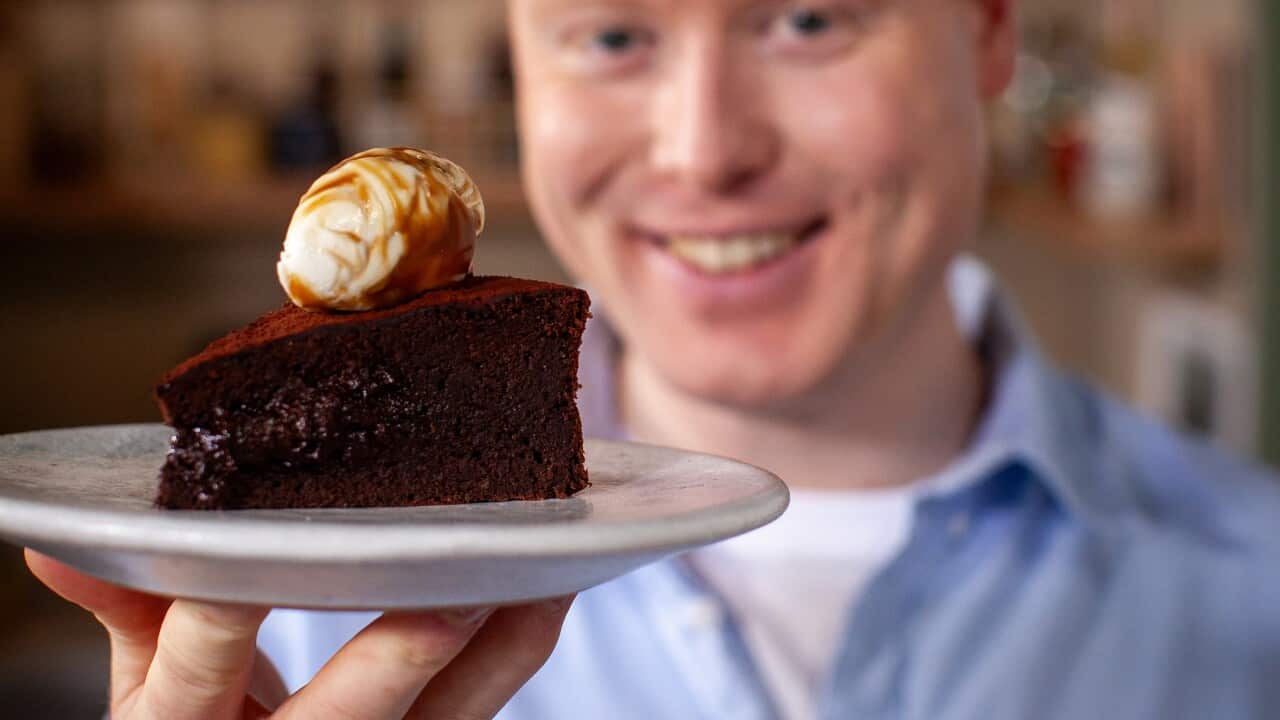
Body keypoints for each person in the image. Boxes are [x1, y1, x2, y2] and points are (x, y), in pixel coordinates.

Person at [28, 0, 1280, 717]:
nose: (700, 152)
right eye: (612, 35)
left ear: (988, 31)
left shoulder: (1254, 596)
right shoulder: (289, 625)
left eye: (805, 17)